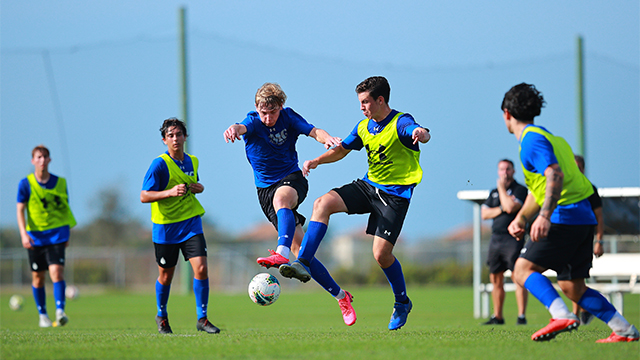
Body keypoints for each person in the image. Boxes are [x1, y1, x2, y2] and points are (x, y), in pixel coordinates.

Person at [279, 76, 431, 331]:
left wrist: (421, 133)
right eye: (360, 102)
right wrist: (317, 160)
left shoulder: (401, 122)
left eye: (365, 102)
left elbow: (417, 131)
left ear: (380, 100)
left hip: (395, 196)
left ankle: (402, 302)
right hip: (368, 186)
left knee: (381, 255)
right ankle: (303, 262)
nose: (361, 107)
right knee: (322, 203)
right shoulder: (364, 126)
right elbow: (341, 149)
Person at [502, 83, 638, 342]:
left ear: (507, 113)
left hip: (564, 217)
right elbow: (539, 189)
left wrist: (543, 215)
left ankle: (561, 315)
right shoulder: (555, 139)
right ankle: (624, 329)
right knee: (572, 287)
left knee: (521, 269)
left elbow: (555, 175)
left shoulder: (531, 140)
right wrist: (521, 217)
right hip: (583, 219)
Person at [223, 83, 356, 326]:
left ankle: (280, 253)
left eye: (272, 112)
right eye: (263, 112)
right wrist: (233, 129)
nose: (268, 117)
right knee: (302, 253)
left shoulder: (289, 117)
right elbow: (241, 126)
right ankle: (341, 296)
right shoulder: (253, 121)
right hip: (265, 192)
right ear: (257, 108)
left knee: (281, 198)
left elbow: (314, 131)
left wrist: (328, 140)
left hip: (293, 179)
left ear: (280, 107)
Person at [141, 118, 220, 334]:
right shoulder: (159, 164)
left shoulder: (193, 161)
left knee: (202, 268)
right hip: (166, 228)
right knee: (166, 275)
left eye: (179, 134)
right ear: (164, 140)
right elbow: (144, 195)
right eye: (171, 135)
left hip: (191, 223)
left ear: (186, 137)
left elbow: (193, 183)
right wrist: (169, 192)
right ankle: (161, 315)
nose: (175, 138)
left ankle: (202, 319)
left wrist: (198, 188)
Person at [17, 145, 76, 328]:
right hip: (35, 236)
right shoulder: (25, 184)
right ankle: (42, 314)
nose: (42, 160)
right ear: (33, 160)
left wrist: (67, 231)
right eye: (38, 157)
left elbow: (65, 209)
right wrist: (23, 234)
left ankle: (60, 311)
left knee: (56, 272)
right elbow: (20, 210)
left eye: (45, 157)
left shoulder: (60, 182)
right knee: (38, 277)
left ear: (49, 160)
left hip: (57, 234)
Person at [481, 159, 529, 325]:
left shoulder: (520, 190)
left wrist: (502, 191)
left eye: (508, 169)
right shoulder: (493, 192)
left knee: (518, 276)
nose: (505, 172)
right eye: (502, 169)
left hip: (513, 238)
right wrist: (501, 208)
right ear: (498, 171)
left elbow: (511, 207)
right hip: (496, 238)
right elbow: (484, 214)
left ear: (513, 171)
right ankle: (498, 316)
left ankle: (521, 316)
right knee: (495, 278)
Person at [571, 154, 604, 325]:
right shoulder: (566, 188)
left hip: (584, 239)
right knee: (570, 278)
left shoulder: (590, 189)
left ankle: (578, 313)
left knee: (578, 277)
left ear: (583, 169)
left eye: (578, 167)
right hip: (568, 238)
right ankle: (580, 311)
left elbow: (599, 216)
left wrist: (599, 241)